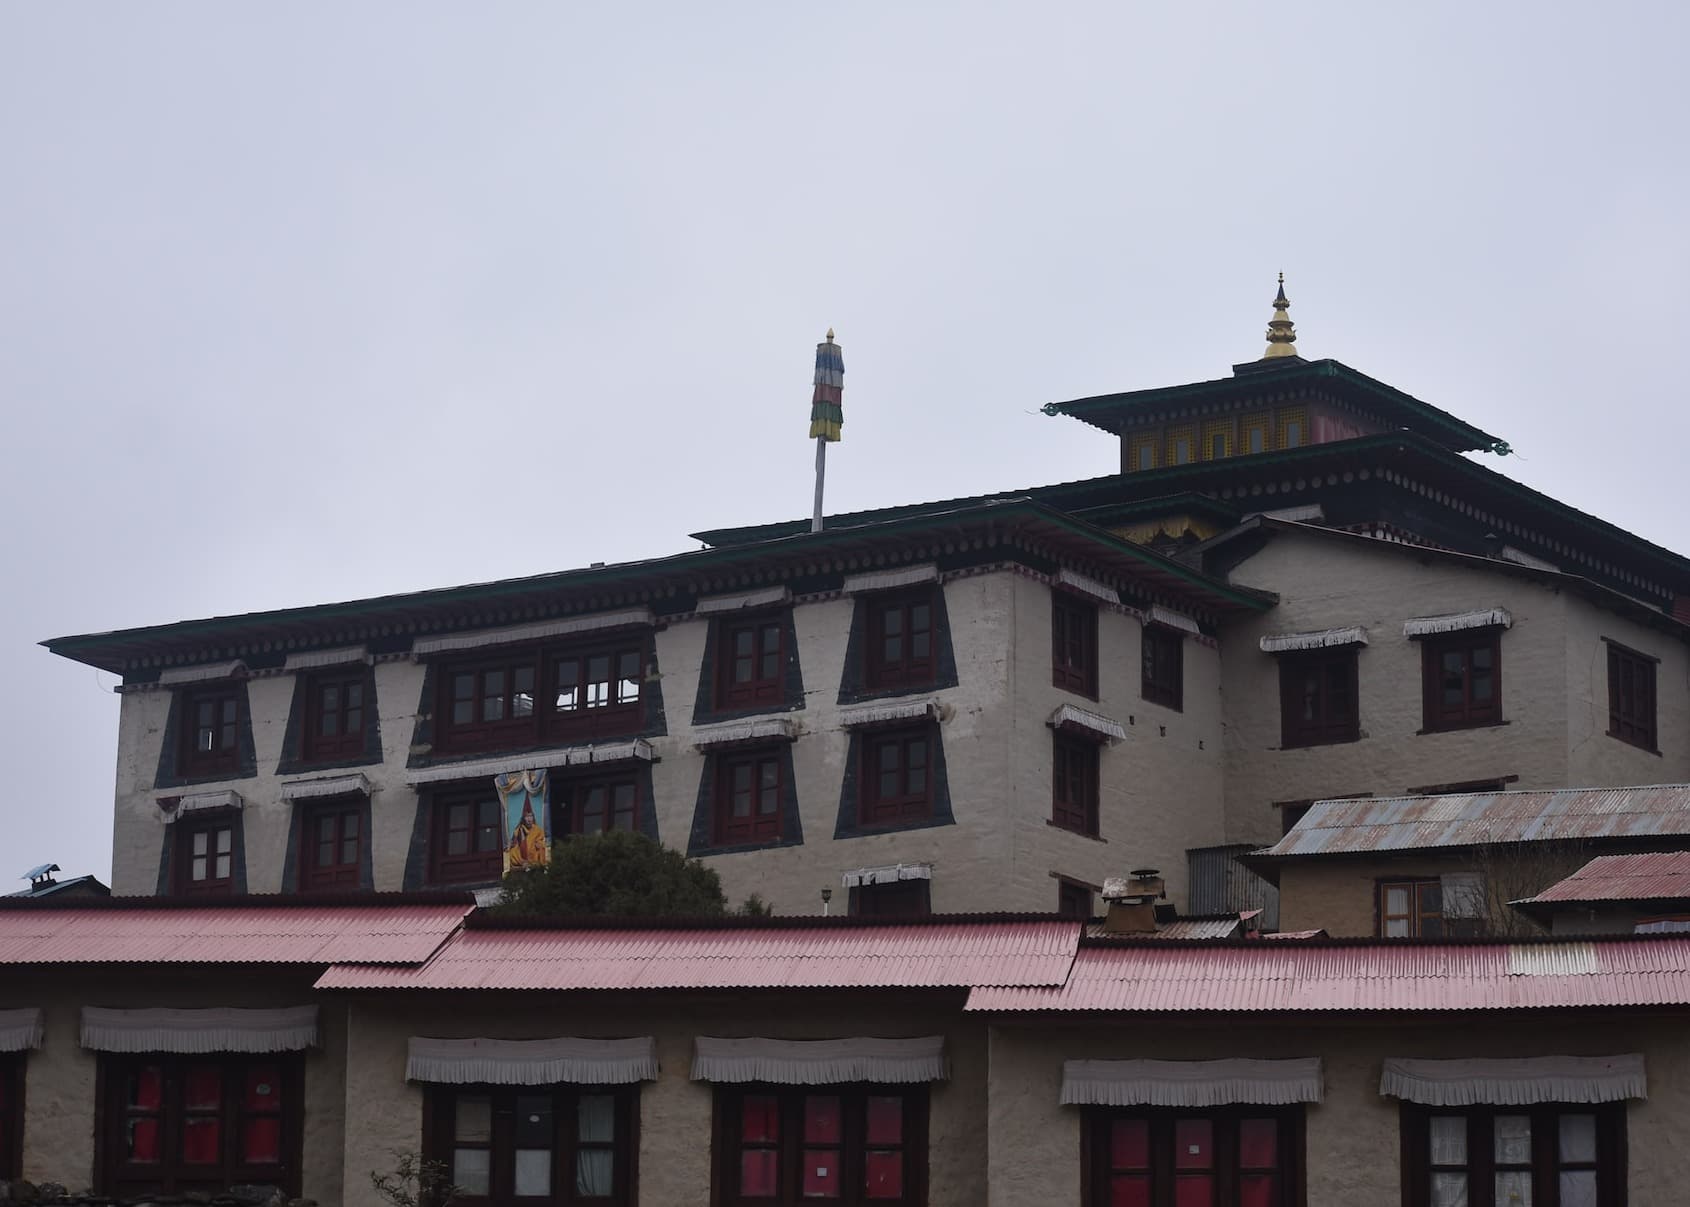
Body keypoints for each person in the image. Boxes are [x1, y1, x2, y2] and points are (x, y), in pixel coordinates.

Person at [506, 798, 548, 870]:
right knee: (513, 852)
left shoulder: (538, 830)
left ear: (533, 817)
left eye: (530, 816)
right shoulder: (518, 830)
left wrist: (539, 844)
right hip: (522, 859)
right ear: (523, 818)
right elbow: (513, 845)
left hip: (534, 857)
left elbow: (542, 841)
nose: (529, 819)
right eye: (527, 816)